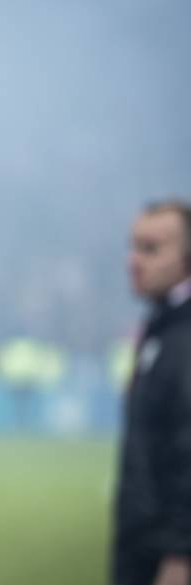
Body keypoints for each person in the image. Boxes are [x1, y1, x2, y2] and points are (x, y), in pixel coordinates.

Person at [116, 201, 191, 585]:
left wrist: (181, 553)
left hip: (166, 557)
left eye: (151, 248)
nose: (135, 260)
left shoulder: (182, 335)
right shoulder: (161, 325)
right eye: (134, 246)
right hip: (142, 546)